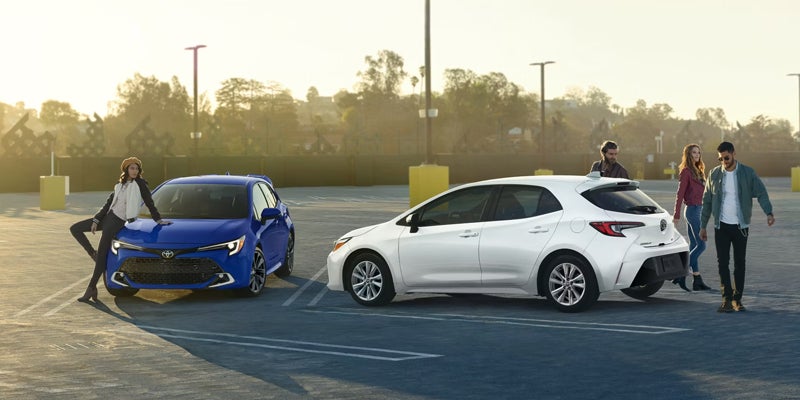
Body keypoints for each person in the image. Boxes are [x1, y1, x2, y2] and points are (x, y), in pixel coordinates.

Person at [70, 157, 171, 303]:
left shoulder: (140, 184)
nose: (134, 171)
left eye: (136, 168)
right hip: (107, 218)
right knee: (75, 229)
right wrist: (96, 219)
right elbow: (108, 204)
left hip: (116, 221)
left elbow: (149, 202)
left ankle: (91, 288)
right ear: (126, 169)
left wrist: (158, 219)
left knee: (102, 256)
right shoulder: (120, 184)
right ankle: (93, 253)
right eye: (132, 168)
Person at [699, 141, 775, 313]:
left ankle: (737, 300)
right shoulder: (714, 174)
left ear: (733, 154)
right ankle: (726, 300)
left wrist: (769, 212)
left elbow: (761, 193)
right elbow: (707, 201)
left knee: (740, 264)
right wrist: (703, 226)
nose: (724, 162)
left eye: (726, 157)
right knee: (722, 264)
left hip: (741, 226)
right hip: (721, 226)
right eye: (720, 159)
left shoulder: (747, 173)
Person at [672, 144, 712, 292]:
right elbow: (680, 194)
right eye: (694, 152)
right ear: (688, 154)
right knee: (702, 245)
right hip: (692, 210)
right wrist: (676, 215)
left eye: (698, 153)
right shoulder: (686, 172)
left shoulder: (699, 170)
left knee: (693, 244)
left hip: (699, 209)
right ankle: (680, 274)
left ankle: (697, 280)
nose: (697, 155)